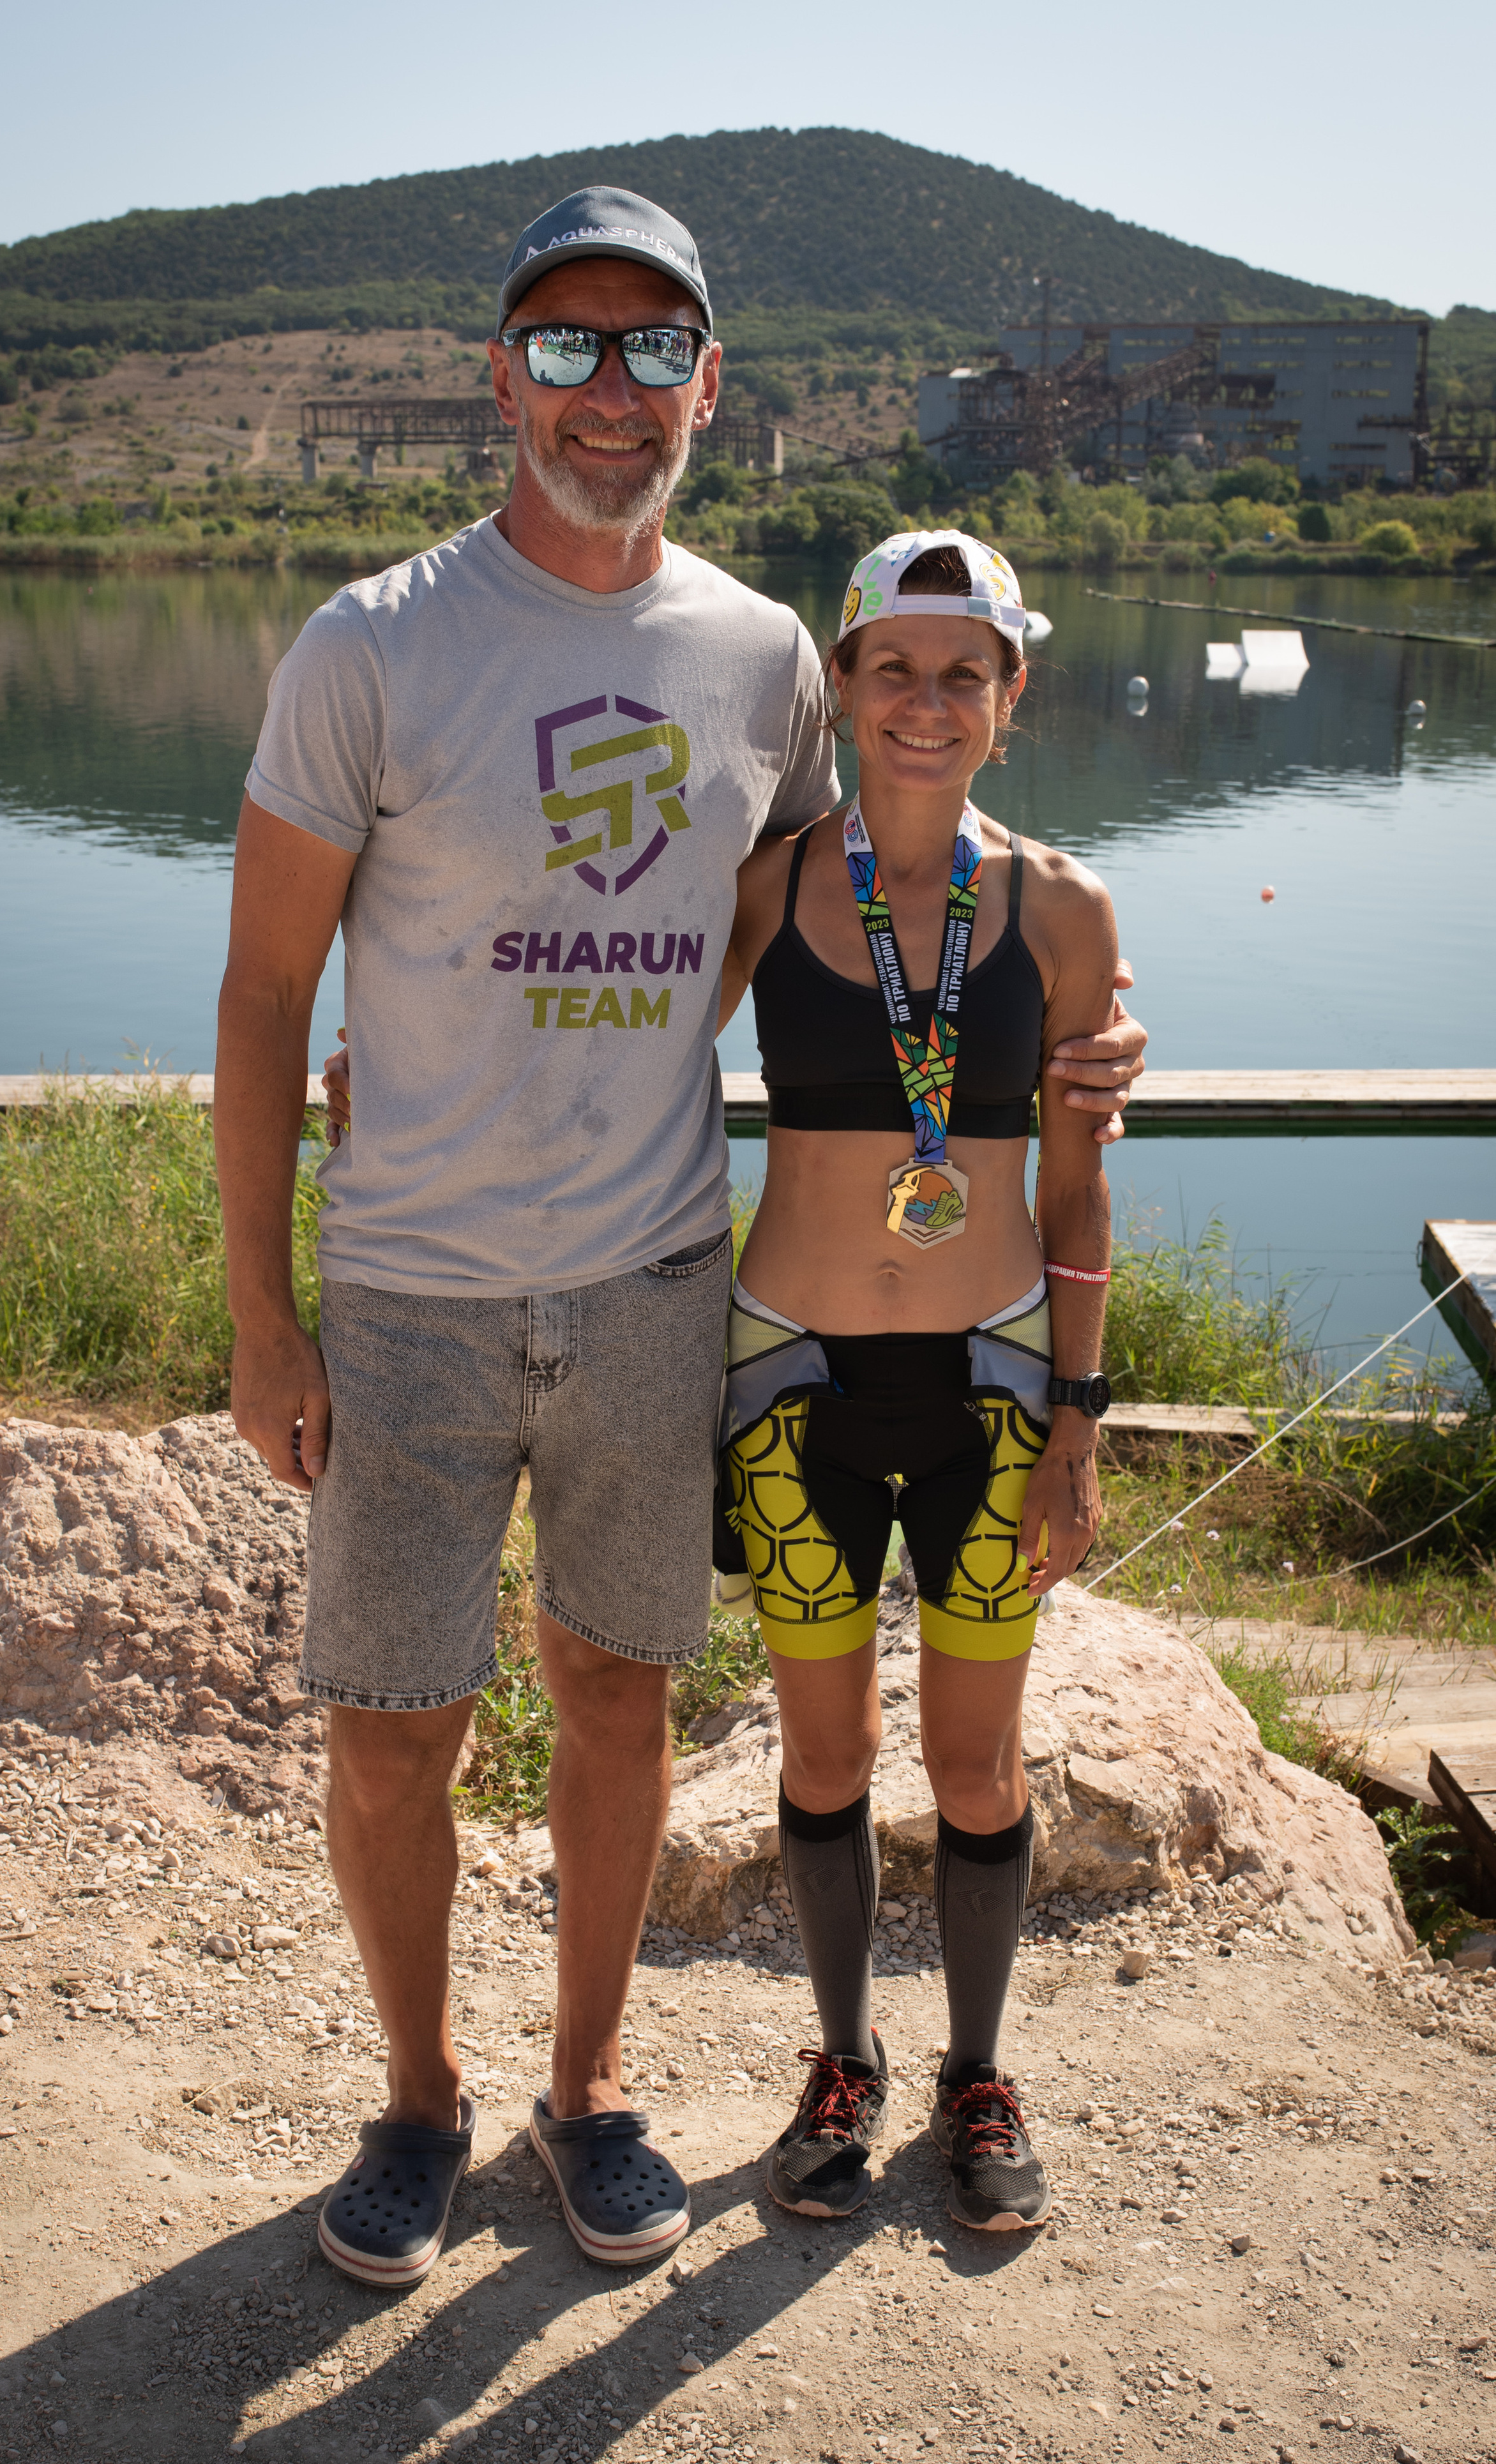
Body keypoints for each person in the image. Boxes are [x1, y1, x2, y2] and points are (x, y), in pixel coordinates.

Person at [217, 183, 1148, 2290]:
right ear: (503, 376)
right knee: (390, 1725)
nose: (610, 388)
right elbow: (266, 997)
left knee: (618, 1701)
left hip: (654, 1282)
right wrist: (264, 1313)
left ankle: (592, 2086)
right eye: (566, 345)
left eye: (652, 349)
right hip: (410, 1290)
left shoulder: (756, 659)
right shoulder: (369, 640)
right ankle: (419, 2099)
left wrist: (1076, 1041)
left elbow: (829, 923)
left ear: (710, 384)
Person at [716, 529, 1115, 2234]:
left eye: (969, 674)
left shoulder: (1067, 907)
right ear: (848, 685)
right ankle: (842, 2059)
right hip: (792, 1379)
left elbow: (1084, 1187)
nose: (928, 703)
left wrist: (1081, 1430)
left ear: (1011, 701)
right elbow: (615, 1048)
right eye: (898, 668)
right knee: (821, 1759)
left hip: (996, 1388)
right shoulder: (770, 879)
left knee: (974, 1764)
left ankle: (975, 2071)